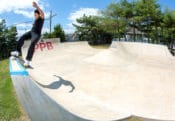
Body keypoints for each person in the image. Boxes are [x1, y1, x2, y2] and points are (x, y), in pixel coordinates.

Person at [11, 1, 45, 67]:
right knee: (22, 37)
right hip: (31, 32)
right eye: (34, 15)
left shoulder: (41, 18)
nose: (34, 16)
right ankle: (17, 52)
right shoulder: (36, 20)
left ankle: (28, 60)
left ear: (39, 14)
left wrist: (36, 7)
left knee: (32, 43)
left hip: (36, 34)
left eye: (35, 15)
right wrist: (33, 24)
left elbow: (42, 13)